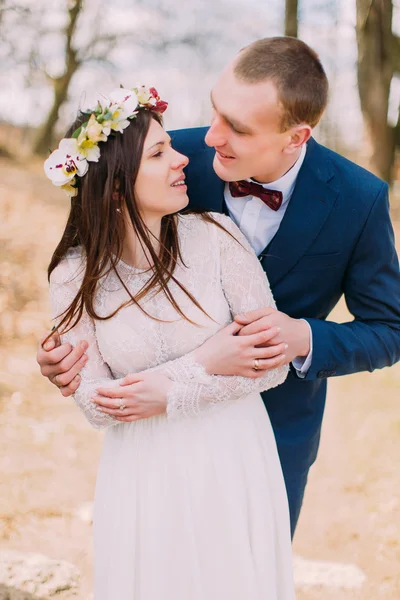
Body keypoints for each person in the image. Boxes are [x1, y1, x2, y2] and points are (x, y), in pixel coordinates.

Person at [38, 37, 400, 538]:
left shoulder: (360, 198)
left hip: (277, 430)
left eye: (238, 128)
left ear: (296, 137)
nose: (211, 138)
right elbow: (97, 260)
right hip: (157, 438)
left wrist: (305, 338)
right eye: (215, 111)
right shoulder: (165, 158)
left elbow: (388, 328)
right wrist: (67, 353)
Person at [45, 85, 295, 599]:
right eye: (158, 153)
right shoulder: (73, 276)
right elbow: (94, 404)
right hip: (142, 471)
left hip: (232, 457)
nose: (183, 158)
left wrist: (168, 390)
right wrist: (205, 362)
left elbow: (270, 365)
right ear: (115, 187)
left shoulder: (217, 237)